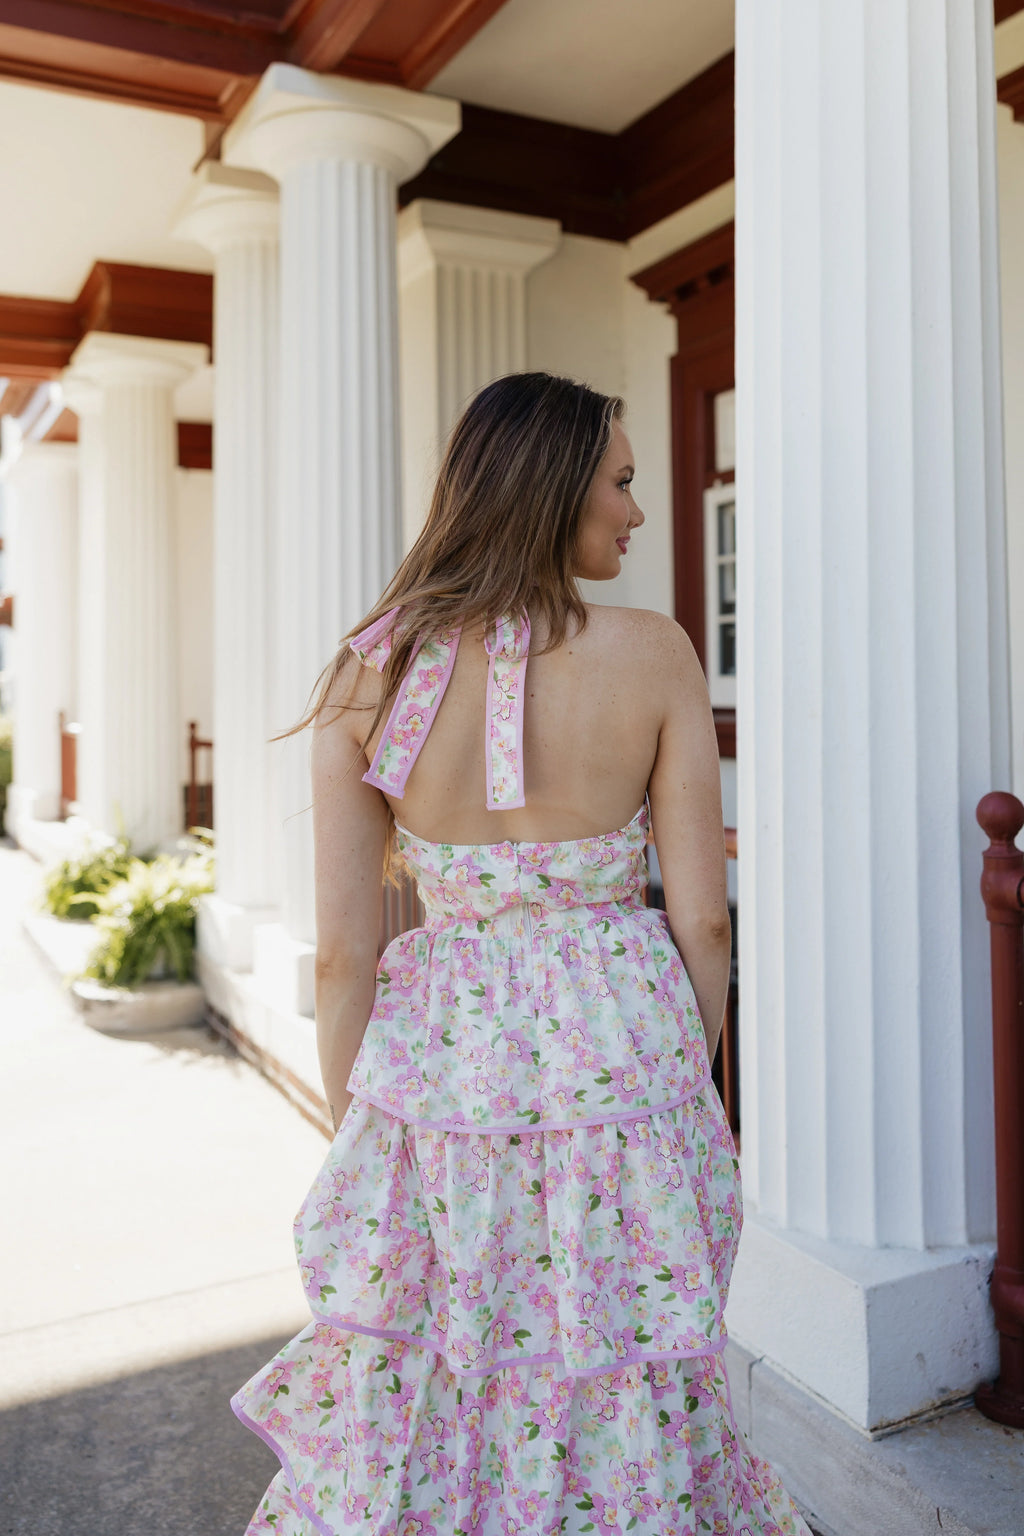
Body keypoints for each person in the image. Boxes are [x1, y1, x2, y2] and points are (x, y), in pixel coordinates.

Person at [232, 372, 811, 1536]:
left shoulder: (368, 671)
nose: (636, 512)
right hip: (625, 1070)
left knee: (453, 1380)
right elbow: (704, 921)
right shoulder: (652, 652)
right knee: (622, 1370)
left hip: (439, 1086)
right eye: (622, 482)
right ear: (554, 487)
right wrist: (670, 1081)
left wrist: (365, 1130)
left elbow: (344, 952)